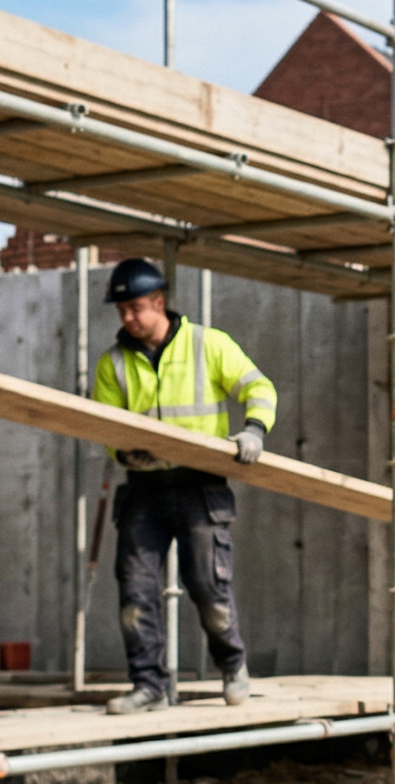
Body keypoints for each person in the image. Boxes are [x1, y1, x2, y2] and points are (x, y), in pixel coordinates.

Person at [92, 256, 276, 714]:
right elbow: (104, 426)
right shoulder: (113, 363)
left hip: (200, 485)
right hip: (144, 488)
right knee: (135, 591)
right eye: (121, 311)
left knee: (209, 586)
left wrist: (254, 430)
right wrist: (123, 453)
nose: (127, 318)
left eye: (135, 308)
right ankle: (148, 685)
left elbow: (259, 388)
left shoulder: (207, 344)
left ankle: (232, 666)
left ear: (159, 302)